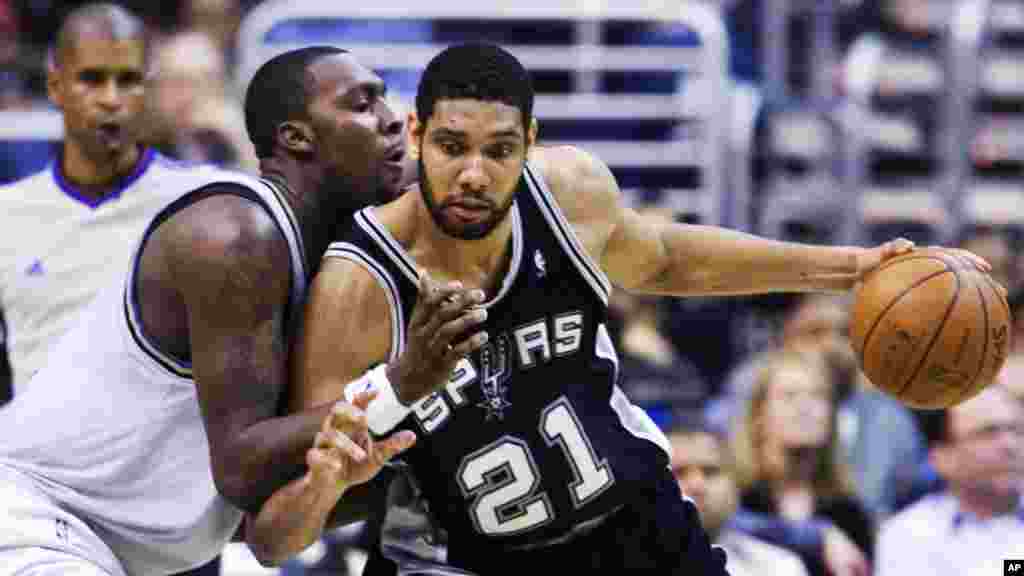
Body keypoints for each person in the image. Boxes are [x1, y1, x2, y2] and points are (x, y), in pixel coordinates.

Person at [270, 42, 988, 575]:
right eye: (452, 146)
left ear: (531, 147)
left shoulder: (567, 192)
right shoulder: (360, 283)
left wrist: (854, 268)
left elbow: (671, 259)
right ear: (417, 135)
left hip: (627, 525)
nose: (473, 174)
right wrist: (373, 417)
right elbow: (297, 503)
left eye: (499, 151)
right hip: (460, 557)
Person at [0, 45, 475, 575]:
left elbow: (271, 523)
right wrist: (403, 385)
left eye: (387, 100)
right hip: (38, 522)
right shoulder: (236, 233)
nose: (393, 122)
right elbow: (242, 468)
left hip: (132, 554)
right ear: (296, 137)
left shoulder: (334, 250)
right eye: (363, 105)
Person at [0, 3, 207, 397]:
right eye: (92, 80)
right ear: (55, 87)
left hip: (161, 455)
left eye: (127, 80)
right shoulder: (6, 215)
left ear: (147, 88)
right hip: (34, 453)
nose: (111, 99)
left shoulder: (201, 201)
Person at [730, 346, 874, 576]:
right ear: (759, 416)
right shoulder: (736, 497)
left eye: (818, 396)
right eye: (790, 396)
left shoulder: (849, 512)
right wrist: (818, 536)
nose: (805, 407)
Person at [874, 384, 1024, 576]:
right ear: (942, 458)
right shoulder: (910, 535)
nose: (1010, 445)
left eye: (1017, 430)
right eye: (988, 433)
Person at [668, 412, 809, 576]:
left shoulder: (779, 567)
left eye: (710, 471)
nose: (697, 485)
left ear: (735, 484)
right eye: (679, 472)